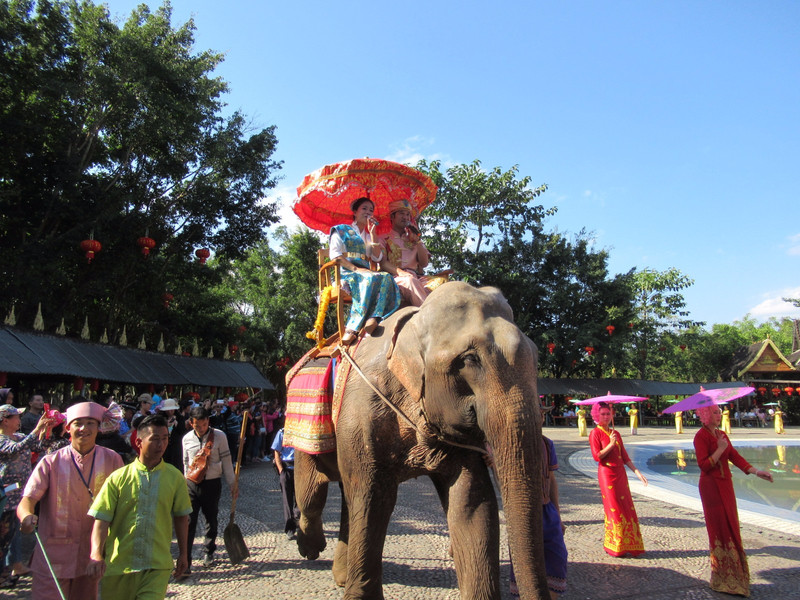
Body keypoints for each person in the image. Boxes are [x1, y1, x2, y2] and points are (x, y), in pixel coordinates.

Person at [17, 402, 123, 599]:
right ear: (68, 428)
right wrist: (26, 516)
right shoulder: (51, 461)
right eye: (78, 423)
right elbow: (28, 499)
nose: (84, 428)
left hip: (92, 551)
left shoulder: (112, 459)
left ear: (98, 427)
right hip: (53, 551)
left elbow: (122, 500)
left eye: (90, 423)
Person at [87, 415, 192, 599]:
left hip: (157, 565)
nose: (161, 445)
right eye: (155, 439)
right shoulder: (118, 478)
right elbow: (102, 519)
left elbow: (181, 517)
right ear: (138, 441)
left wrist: (184, 554)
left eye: (165, 439)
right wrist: (96, 553)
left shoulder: (175, 478)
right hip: (119, 566)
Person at [694, 404, 773, 596]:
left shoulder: (722, 435)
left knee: (732, 526)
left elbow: (735, 457)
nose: (718, 415)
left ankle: (737, 576)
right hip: (710, 487)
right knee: (719, 528)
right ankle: (722, 577)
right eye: (714, 412)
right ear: (705, 414)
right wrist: (720, 449)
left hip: (726, 485)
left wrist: (755, 472)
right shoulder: (701, 436)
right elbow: (704, 465)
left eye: (719, 412)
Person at [329, 197, 401, 345]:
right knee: (369, 278)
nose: (368, 212)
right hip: (347, 272)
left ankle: (374, 316)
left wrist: (374, 234)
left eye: (371, 210)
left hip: (366, 273)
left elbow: (377, 257)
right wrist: (356, 269)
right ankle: (352, 327)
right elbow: (335, 256)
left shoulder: (368, 236)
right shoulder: (342, 230)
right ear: (355, 212)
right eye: (364, 209)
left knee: (387, 276)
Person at [508, 435, 568, 599]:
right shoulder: (509, 441)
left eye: (542, 413)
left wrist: (558, 516)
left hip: (547, 509)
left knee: (558, 557)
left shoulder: (547, 443)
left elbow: (552, 480)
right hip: (522, 512)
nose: (540, 417)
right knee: (524, 562)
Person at [588, 401, 647, 557]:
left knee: (626, 506)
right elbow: (597, 456)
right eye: (603, 414)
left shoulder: (616, 433)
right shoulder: (595, 433)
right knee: (614, 508)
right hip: (607, 473)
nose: (606, 417)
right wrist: (611, 444)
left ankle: (630, 543)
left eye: (608, 414)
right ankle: (615, 545)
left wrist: (637, 472)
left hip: (621, 474)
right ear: (597, 415)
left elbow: (625, 457)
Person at [182, 406, 236, 574]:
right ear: (191, 423)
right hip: (191, 483)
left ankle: (208, 551)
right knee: (189, 521)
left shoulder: (219, 436)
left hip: (212, 483)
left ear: (208, 422)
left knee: (210, 518)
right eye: (198, 425)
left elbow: (227, 461)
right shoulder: (186, 439)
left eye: (204, 424)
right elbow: (185, 463)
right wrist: (184, 483)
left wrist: (232, 483)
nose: (202, 428)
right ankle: (186, 560)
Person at [0, 404, 50, 584]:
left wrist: (46, 429)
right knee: (3, 536)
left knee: (12, 535)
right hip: (5, 497)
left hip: (20, 494)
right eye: (15, 417)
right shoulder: (1, 440)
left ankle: (9, 571)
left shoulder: (20, 436)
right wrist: (37, 429)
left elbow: (39, 444)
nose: (19, 420)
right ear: (5, 420)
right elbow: (16, 448)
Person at [377, 199, 444, 307]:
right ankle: (426, 315)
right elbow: (383, 263)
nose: (405, 217)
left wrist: (417, 241)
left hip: (416, 277)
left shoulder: (413, 238)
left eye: (408, 214)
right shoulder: (383, 238)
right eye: (401, 213)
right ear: (392, 217)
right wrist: (401, 273)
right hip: (394, 278)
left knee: (441, 283)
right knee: (410, 281)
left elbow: (424, 263)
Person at [271, 427, 300, 539]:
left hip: (300, 469)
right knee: (287, 499)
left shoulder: (302, 430)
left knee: (300, 498)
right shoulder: (282, 432)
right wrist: (281, 470)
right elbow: (276, 452)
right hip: (287, 469)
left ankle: (297, 519)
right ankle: (289, 527)